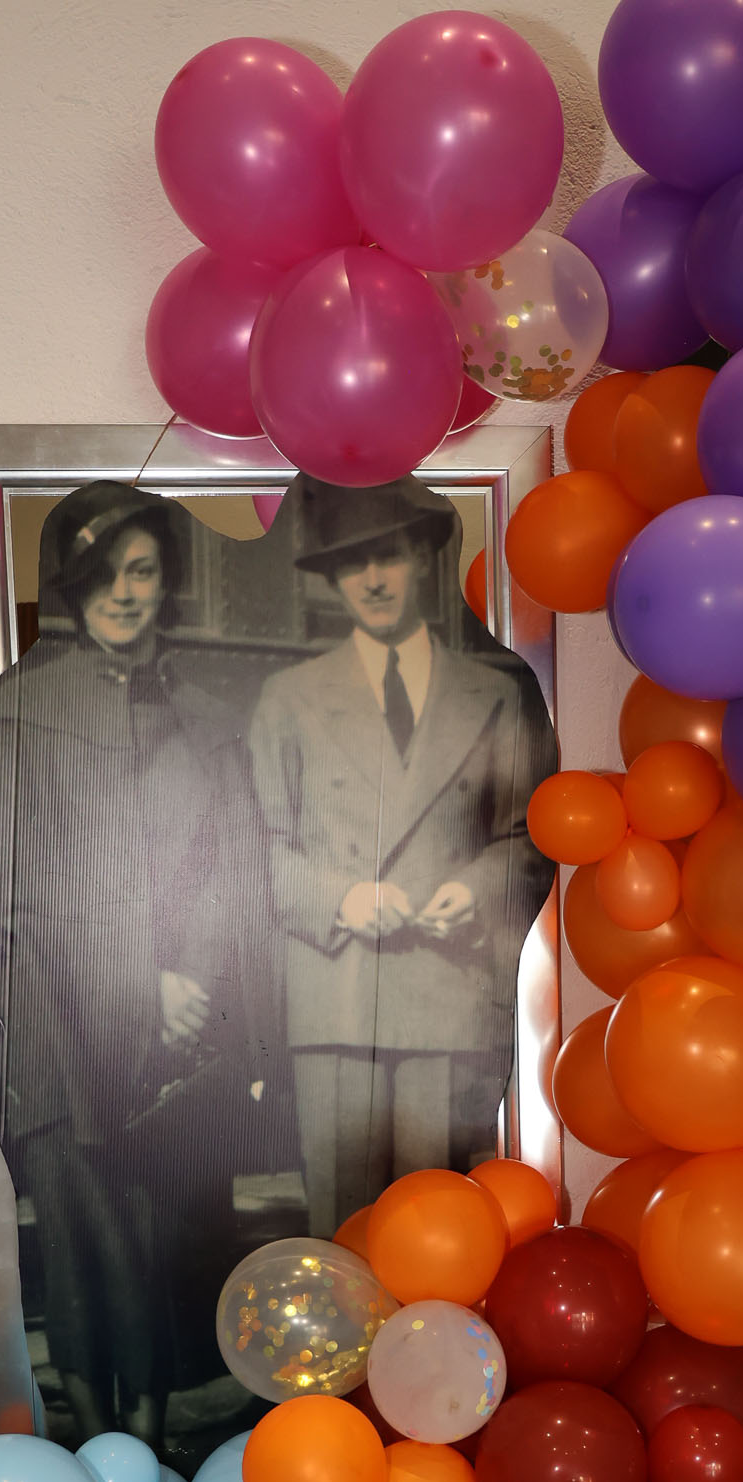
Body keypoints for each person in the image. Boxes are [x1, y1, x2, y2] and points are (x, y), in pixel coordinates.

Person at [0, 482, 277, 1445]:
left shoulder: (194, 716)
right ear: (70, 584)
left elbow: (226, 868)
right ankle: (97, 1444)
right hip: (56, 1031)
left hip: (166, 1044)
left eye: (142, 571)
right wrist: (139, 980)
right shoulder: (16, 712)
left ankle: (146, 1439)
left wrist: (191, 982)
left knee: (154, 1242)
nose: (124, 593)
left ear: (166, 583)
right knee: (82, 1247)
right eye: (104, 574)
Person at [249, 474, 557, 1238]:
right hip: (335, 997)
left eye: (387, 556)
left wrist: (477, 890)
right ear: (332, 580)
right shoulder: (288, 697)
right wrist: (342, 898)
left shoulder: (493, 692)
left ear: (421, 558)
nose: (373, 580)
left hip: (446, 993)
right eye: (353, 565)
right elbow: (255, 850)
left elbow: (527, 836)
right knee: (343, 1232)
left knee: (437, 1234)